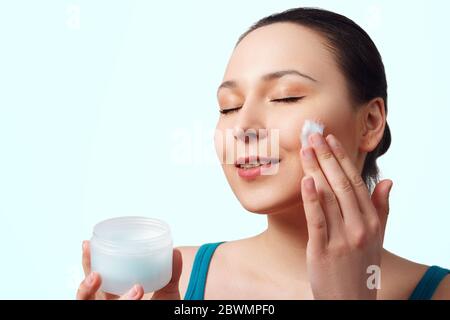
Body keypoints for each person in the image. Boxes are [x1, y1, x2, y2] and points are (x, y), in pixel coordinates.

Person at [76, 7, 449, 300]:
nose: (243, 127)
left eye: (287, 96)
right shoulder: (170, 279)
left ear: (369, 123)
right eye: (228, 107)